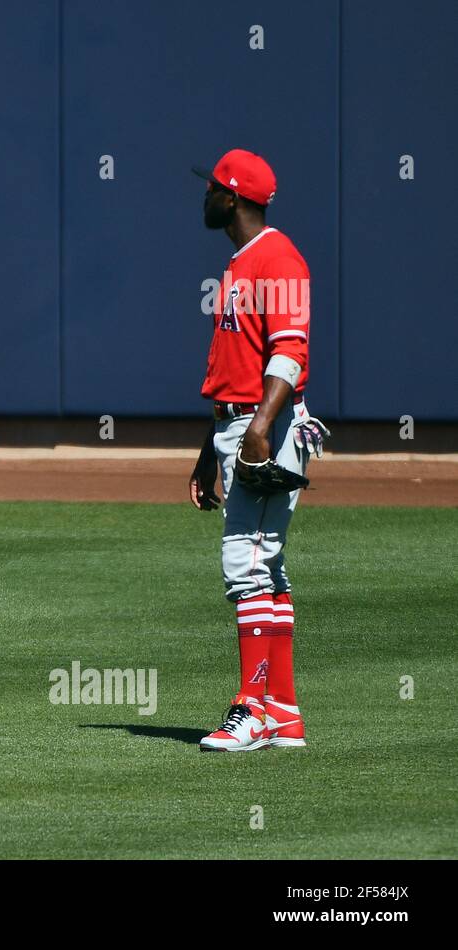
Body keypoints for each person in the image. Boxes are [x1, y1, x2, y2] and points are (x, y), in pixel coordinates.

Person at [188, 149, 327, 752]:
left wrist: (260, 428)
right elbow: (235, 367)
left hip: (263, 425)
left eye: (212, 189)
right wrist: (206, 451)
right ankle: (284, 712)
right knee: (267, 567)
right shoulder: (243, 260)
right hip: (241, 422)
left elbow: (289, 352)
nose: (206, 198)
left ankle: (252, 709)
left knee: (245, 565)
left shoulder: (277, 257)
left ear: (233, 197)